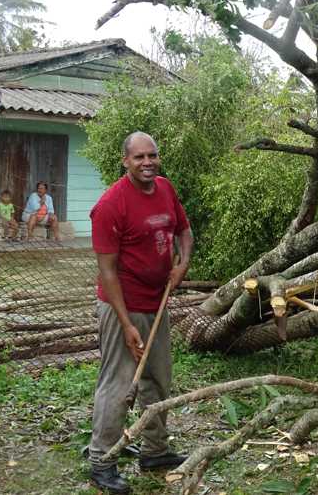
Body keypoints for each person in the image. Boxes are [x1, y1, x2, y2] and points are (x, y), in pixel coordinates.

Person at [87, 131, 193, 494]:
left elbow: (184, 232)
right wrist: (127, 323)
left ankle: (155, 450)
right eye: (139, 158)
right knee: (119, 384)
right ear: (125, 161)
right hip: (123, 306)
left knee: (158, 379)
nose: (147, 162)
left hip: (157, 300)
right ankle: (101, 460)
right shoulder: (110, 205)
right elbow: (107, 271)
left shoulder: (164, 188)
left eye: (153, 155)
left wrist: (182, 264)